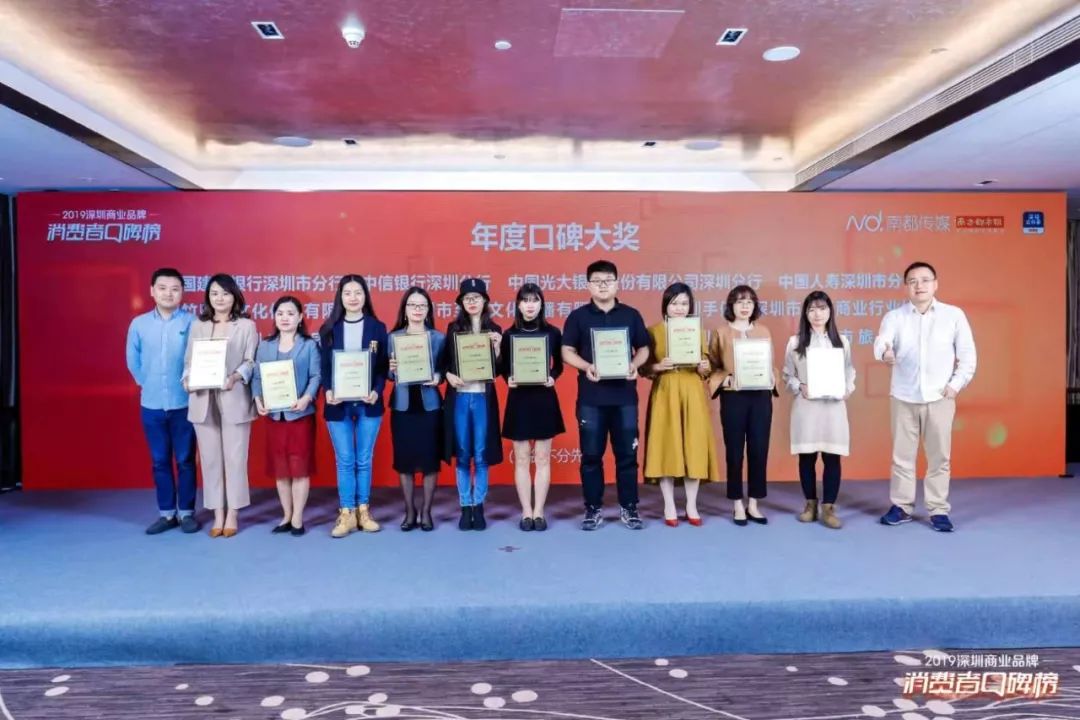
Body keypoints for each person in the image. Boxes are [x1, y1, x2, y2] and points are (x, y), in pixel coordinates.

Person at [873, 261, 976, 532]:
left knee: (939, 457)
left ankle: (938, 509)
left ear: (935, 284)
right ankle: (902, 506)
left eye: (925, 280)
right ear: (906, 286)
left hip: (939, 398)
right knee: (902, 457)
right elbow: (882, 341)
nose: (919, 286)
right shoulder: (895, 317)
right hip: (903, 397)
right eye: (913, 281)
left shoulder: (953, 315)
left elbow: (968, 357)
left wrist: (954, 386)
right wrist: (885, 352)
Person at [561, 260, 650, 531]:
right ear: (588, 285)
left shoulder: (631, 315)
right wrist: (586, 366)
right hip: (592, 399)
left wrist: (634, 364)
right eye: (597, 281)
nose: (603, 285)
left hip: (624, 399)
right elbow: (566, 351)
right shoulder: (578, 317)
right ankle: (593, 508)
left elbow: (644, 348)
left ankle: (629, 507)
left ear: (617, 283)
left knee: (627, 456)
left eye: (608, 280)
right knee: (591, 456)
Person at [182, 273, 258, 537]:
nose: (220, 298)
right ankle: (218, 513)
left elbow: (251, 361)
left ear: (234, 296)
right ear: (208, 297)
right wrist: (187, 380)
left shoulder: (246, 326)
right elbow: (189, 361)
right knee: (210, 460)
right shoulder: (198, 326)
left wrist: (235, 377)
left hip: (233, 396)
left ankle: (233, 513)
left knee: (235, 459)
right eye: (214, 293)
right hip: (202, 398)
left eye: (225, 293)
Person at [125, 268, 199, 535]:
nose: (169, 293)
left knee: (186, 460)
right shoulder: (139, 324)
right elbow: (133, 360)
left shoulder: (192, 323)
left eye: (175, 289)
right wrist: (146, 383)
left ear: (182, 293)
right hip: (152, 404)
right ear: (152, 291)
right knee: (159, 460)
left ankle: (187, 512)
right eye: (163, 288)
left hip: (184, 403)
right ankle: (167, 514)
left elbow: (200, 357)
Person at [320, 274, 389, 539]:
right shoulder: (329, 328)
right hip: (338, 405)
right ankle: (346, 512)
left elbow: (382, 367)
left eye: (358, 292)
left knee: (364, 458)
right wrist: (328, 390)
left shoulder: (377, 327)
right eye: (347, 293)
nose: (353, 297)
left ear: (365, 296)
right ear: (340, 296)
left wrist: (376, 391)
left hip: (368, 403)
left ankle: (364, 511)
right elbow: (324, 367)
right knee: (345, 460)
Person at [643, 282, 718, 526]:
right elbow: (643, 367)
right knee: (666, 446)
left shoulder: (697, 330)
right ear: (665, 305)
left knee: (693, 446)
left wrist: (704, 367)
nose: (679, 308)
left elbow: (705, 367)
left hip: (692, 390)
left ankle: (691, 505)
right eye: (674, 303)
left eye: (684, 303)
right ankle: (669, 505)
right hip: (666, 391)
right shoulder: (653, 331)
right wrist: (658, 366)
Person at [782, 291, 855, 530]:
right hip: (807, 407)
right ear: (805, 313)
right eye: (812, 309)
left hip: (833, 408)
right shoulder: (795, 342)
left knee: (832, 457)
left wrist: (848, 388)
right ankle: (810, 505)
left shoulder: (841, 341)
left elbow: (849, 370)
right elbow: (787, 374)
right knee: (807, 456)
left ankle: (829, 507)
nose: (817, 314)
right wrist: (799, 386)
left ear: (830, 311)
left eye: (822, 308)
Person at [708, 284, 777, 526]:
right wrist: (724, 379)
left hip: (760, 397)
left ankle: (754, 504)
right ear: (731, 306)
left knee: (759, 449)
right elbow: (711, 366)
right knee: (735, 451)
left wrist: (773, 377)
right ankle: (737, 503)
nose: (745, 306)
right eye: (739, 302)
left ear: (755, 305)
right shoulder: (721, 333)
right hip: (734, 397)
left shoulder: (764, 331)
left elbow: (770, 364)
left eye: (749, 302)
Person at [252, 296, 321, 537]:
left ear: (300, 317)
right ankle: (286, 516)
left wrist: (307, 398)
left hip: (300, 415)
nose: (285, 318)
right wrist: (258, 399)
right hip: (274, 416)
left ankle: (298, 518)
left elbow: (316, 376)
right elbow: (257, 377)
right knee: (280, 468)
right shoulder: (265, 346)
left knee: (299, 467)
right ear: (274, 317)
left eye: (290, 313)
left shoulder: (309, 345)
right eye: (280, 313)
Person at [499, 283, 565, 531]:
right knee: (522, 459)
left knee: (543, 458)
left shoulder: (553, 333)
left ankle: (539, 512)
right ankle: (526, 511)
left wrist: (552, 377)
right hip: (519, 399)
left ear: (541, 304)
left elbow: (559, 365)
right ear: (518, 305)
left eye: (534, 300)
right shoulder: (509, 335)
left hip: (543, 398)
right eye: (525, 300)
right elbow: (503, 368)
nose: (530, 305)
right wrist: (508, 379)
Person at [443, 278, 504, 531]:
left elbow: (500, 370)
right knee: (462, 453)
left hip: (482, 398)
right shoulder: (453, 328)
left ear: (485, 301)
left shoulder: (495, 329)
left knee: (480, 454)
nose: (472, 302)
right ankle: (464, 505)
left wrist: (498, 348)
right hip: (460, 396)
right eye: (467, 298)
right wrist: (449, 375)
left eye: (476, 298)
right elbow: (444, 363)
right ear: (461, 302)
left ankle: (478, 506)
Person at [388, 287, 446, 532]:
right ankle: (410, 510)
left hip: (429, 406)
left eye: (422, 305)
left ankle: (426, 511)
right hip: (402, 406)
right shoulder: (393, 337)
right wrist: (392, 368)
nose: (417, 309)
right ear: (405, 309)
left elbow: (445, 370)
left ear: (428, 310)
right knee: (405, 460)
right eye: (413, 305)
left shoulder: (438, 338)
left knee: (430, 460)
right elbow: (387, 374)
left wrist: (438, 377)